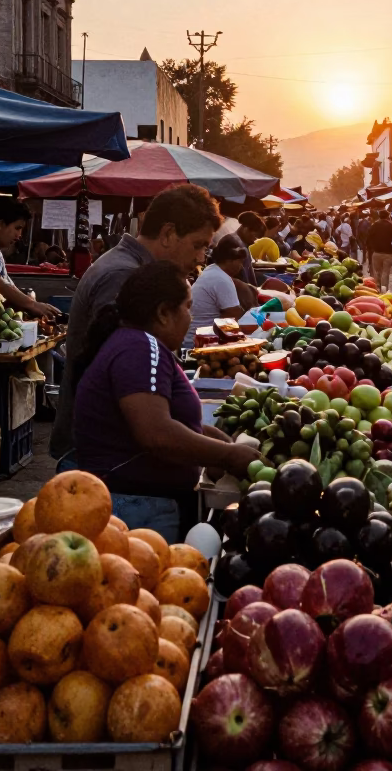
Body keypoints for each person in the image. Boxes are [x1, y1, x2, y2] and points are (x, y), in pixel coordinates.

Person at [74, 261, 259, 541]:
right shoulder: (139, 347)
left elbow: (172, 419)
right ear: (163, 313)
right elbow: (157, 434)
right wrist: (228, 455)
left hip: (140, 505)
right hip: (136, 512)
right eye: (187, 306)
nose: (191, 315)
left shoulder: (134, 343)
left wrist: (216, 441)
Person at [50, 184, 221, 460]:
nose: (201, 258)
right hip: (102, 460)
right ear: (168, 234)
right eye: (198, 245)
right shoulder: (123, 276)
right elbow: (128, 377)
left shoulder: (137, 271)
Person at [184, 237, 247, 347]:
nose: (241, 267)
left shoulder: (212, 270)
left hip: (192, 339)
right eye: (240, 262)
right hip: (200, 343)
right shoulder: (221, 279)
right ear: (229, 260)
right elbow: (232, 317)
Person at [366, 209, 392, 292]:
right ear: (388, 216)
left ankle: (378, 289)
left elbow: (368, 238)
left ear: (379, 216)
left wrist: (370, 249)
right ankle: (384, 289)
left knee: (377, 272)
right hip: (389, 253)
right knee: (386, 273)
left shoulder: (374, 225)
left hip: (377, 252)